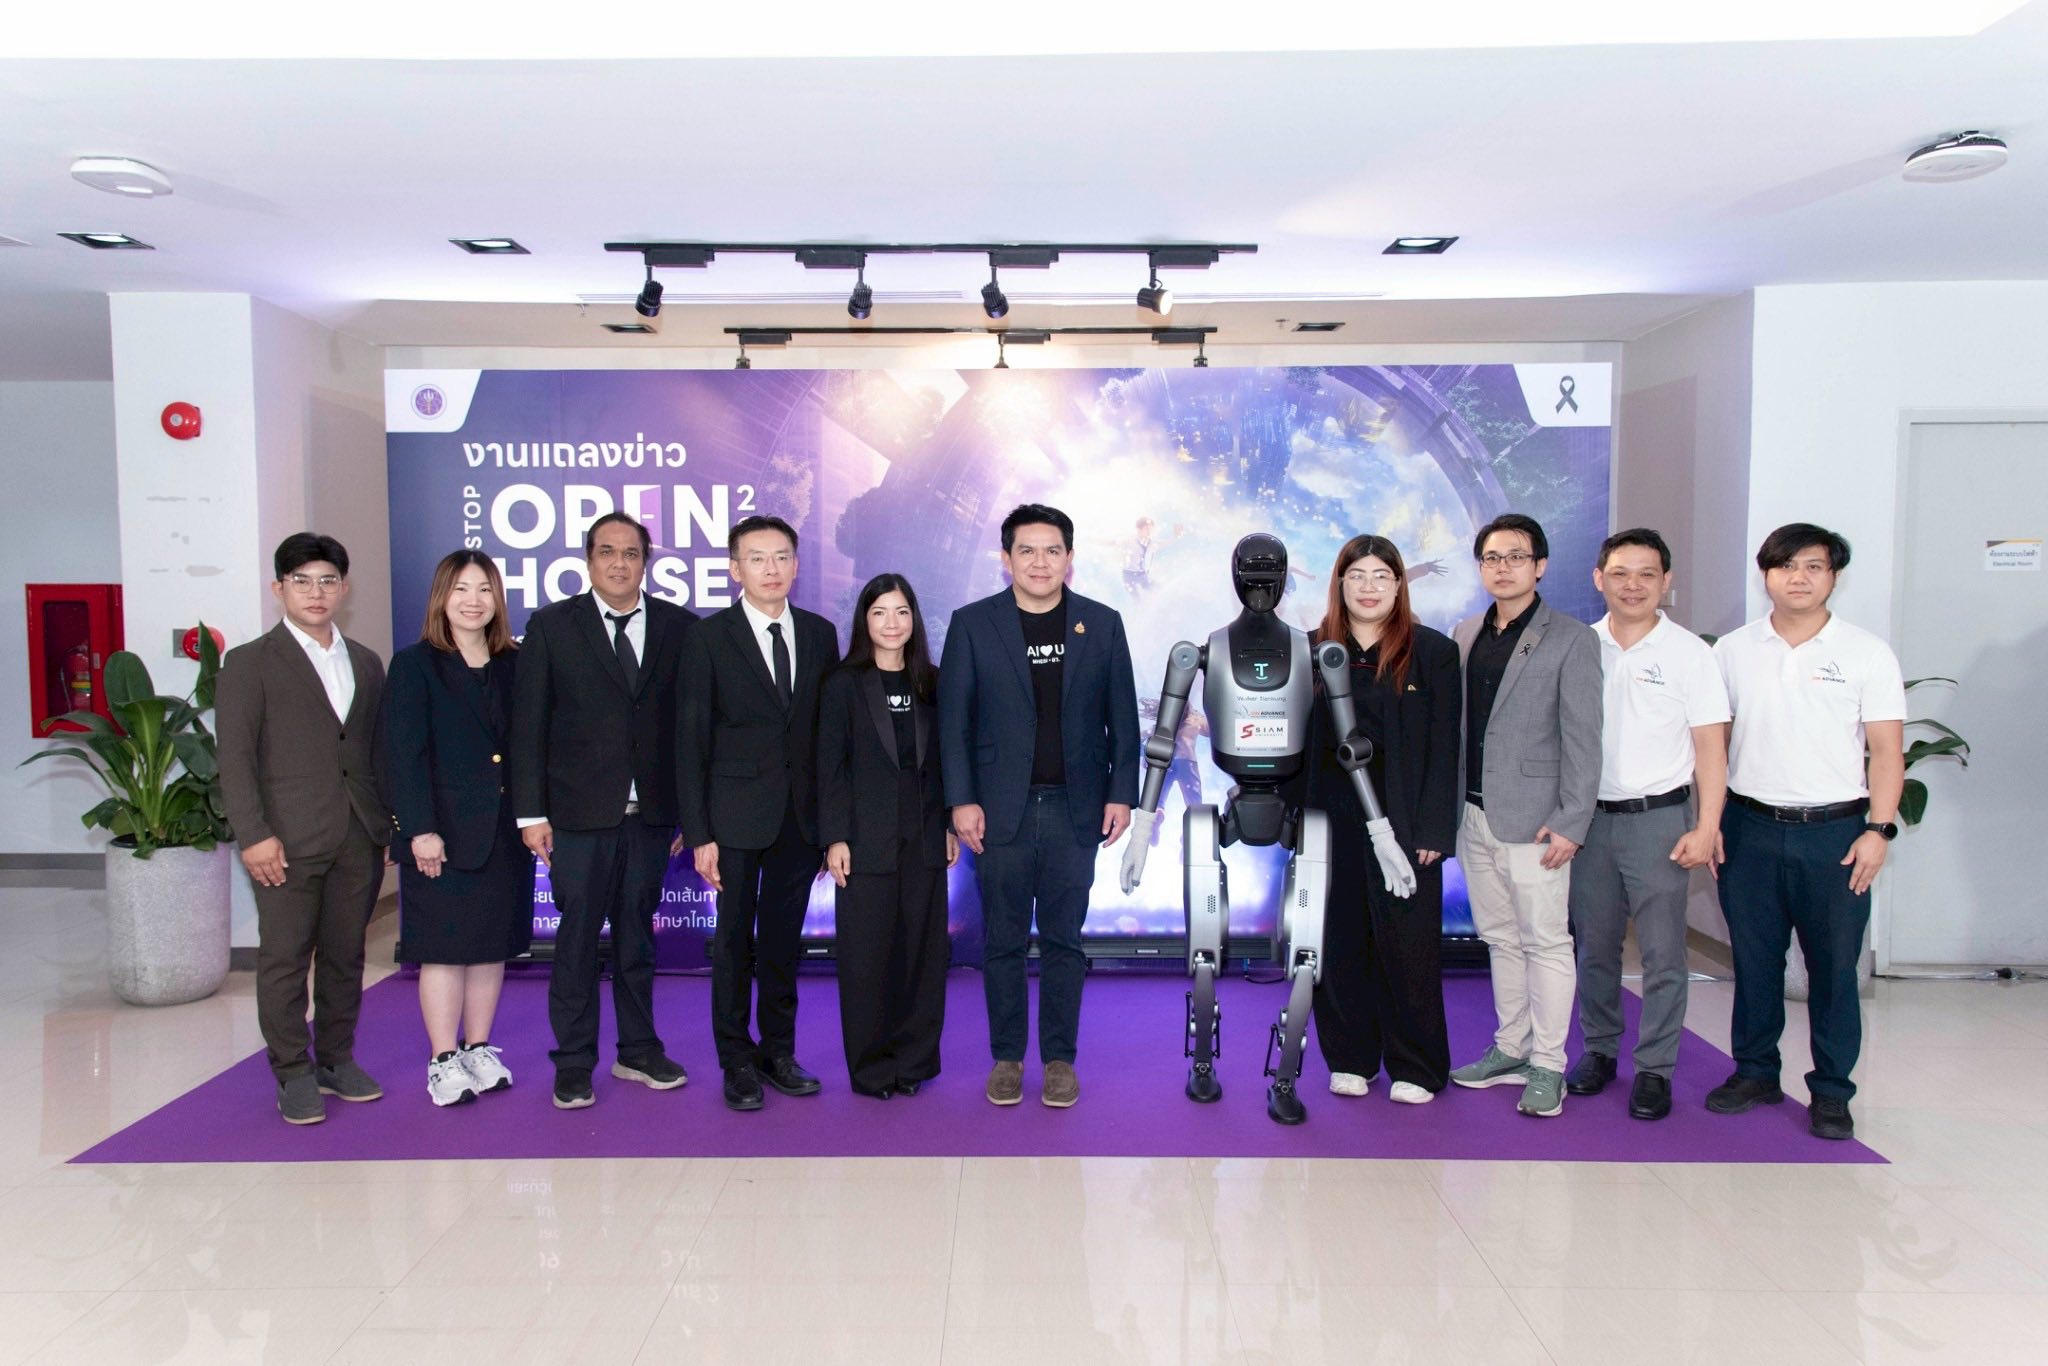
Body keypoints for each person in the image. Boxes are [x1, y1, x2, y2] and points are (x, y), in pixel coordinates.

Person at [939, 503, 1140, 1109]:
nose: (1040, 562)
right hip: (1000, 810)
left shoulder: (1101, 624)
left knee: (1064, 941)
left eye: (1052, 550)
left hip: (1077, 809)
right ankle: (1007, 1058)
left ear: (1069, 558)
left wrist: (1121, 794)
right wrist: (961, 800)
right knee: (1001, 939)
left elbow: (1123, 721)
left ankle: (1059, 1061)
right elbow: (953, 725)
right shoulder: (973, 624)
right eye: (1026, 550)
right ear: (1006, 559)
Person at [1710, 523, 1905, 1141]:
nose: (1799, 577)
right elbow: (1712, 745)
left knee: (1834, 968)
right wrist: (1710, 823)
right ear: (1765, 575)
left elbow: (1887, 751)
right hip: (1749, 827)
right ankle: (1755, 1072)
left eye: (1813, 566)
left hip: (1836, 834)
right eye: (1786, 566)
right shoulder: (1733, 651)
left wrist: (1879, 830)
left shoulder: (1866, 652)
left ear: (1834, 577)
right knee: (1755, 961)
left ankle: (1831, 1091)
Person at [510, 512, 695, 1110]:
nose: (620, 563)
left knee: (639, 939)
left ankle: (637, 1050)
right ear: (589, 560)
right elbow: (528, 725)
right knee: (577, 942)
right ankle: (573, 1061)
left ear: (646, 562)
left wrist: (689, 813)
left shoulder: (679, 627)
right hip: (576, 816)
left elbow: (690, 730)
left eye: (632, 553)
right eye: (607, 552)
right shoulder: (552, 626)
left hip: (652, 818)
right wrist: (531, 814)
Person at [216, 532, 392, 1126]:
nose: (316, 593)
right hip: (284, 840)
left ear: (344, 588)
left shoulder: (365, 661)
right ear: (279, 589)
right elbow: (235, 758)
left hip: (357, 833)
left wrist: (384, 825)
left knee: (346, 954)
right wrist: (253, 833)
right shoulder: (249, 663)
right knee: (286, 957)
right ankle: (292, 1070)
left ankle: (336, 1060)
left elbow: (371, 751)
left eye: (327, 581)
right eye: (302, 582)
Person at [1565, 529, 1729, 1121]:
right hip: (1588, 823)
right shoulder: (1580, 646)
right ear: (1598, 578)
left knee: (1663, 955)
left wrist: (1707, 826)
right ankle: (1600, 1050)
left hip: (1659, 821)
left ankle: (1656, 1068)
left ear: (1667, 581)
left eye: (1646, 574)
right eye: (1620, 573)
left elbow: (1711, 749)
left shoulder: (1690, 654)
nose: (1632, 585)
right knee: (1595, 948)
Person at [678, 515, 841, 1112]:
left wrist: (830, 826)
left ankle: (779, 1053)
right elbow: (690, 740)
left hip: (799, 819)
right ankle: (736, 1061)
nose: (771, 569)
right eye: (757, 558)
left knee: (781, 943)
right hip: (733, 819)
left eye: (781, 557)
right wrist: (699, 831)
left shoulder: (820, 634)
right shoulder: (707, 638)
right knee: (731, 944)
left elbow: (828, 738)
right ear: (734, 568)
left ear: (796, 565)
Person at [1447, 512, 1602, 1118]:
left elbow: (1584, 739)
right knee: (1500, 939)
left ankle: (1549, 1065)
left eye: (1516, 557)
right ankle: (1511, 1048)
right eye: (1492, 558)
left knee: (1546, 942)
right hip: (1474, 814)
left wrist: (1572, 820)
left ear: (1540, 566)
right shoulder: (1465, 633)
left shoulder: (1572, 638)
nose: (1503, 567)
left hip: (1538, 822)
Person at [1303, 535, 1462, 1105]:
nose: (1368, 588)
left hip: (1407, 820)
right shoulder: (1311, 649)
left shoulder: (1434, 652)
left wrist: (1435, 830)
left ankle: (1417, 1065)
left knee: (1408, 946)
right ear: (1339, 583)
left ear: (1399, 585)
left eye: (1381, 576)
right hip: (1332, 818)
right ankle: (1350, 1057)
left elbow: (1446, 748)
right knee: (1339, 940)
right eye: (1357, 576)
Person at [378, 551, 534, 1107]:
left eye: (484, 589)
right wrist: (419, 829)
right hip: (440, 836)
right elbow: (402, 755)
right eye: (462, 589)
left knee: (490, 946)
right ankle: (443, 1058)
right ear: (442, 597)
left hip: (504, 833)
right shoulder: (415, 664)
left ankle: (479, 1048)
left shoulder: (516, 663)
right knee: (444, 949)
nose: (474, 601)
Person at [817, 574, 958, 1098]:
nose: (892, 623)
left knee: (922, 958)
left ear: (914, 619)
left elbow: (948, 761)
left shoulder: (933, 683)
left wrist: (949, 823)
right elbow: (829, 766)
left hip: (924, 840)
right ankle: (872, 1070)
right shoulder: (843, 684)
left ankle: (913, 1064)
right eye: (879, 613)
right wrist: (835, 837)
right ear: (864, 621)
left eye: (901, 612)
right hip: (863, 842)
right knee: (867, 959)